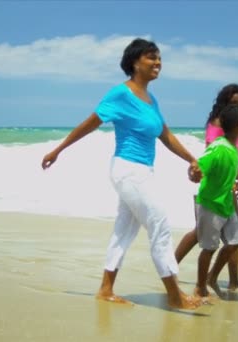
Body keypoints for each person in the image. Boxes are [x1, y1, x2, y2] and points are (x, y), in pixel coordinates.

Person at [41, 38, 201, 309]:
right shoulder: (120, 94)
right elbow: (90, 123)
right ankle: (175, 296)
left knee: (124, 232)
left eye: (159, 57)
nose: (158, 62)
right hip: (128, 170)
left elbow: (165, 135)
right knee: (160, 224)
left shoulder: (151, 99)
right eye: (151, 57)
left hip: (143, 171)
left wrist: (192, 158)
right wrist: (58, 150)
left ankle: (106, 289)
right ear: (135, 63)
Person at [174, 84, 238, 295]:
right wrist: (194, 171)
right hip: (213, 193)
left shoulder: (236, 131)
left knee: (232, 239)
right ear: (225, 103)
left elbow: (234, 158)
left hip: (227, 189)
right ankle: (173, 269)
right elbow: (209, 157)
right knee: (201, 237)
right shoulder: (218, 127)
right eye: (234, 103)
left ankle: (231, 281)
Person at [193, 104, 238, 302]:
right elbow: (199, 165)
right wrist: (194, 173)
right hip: (210, 204)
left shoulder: (233, 148)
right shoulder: (218, 147)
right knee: (209, 248)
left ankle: (212, 278)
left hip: (226, 203)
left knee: (234, 243)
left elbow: (232, 170)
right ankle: (200, 288)